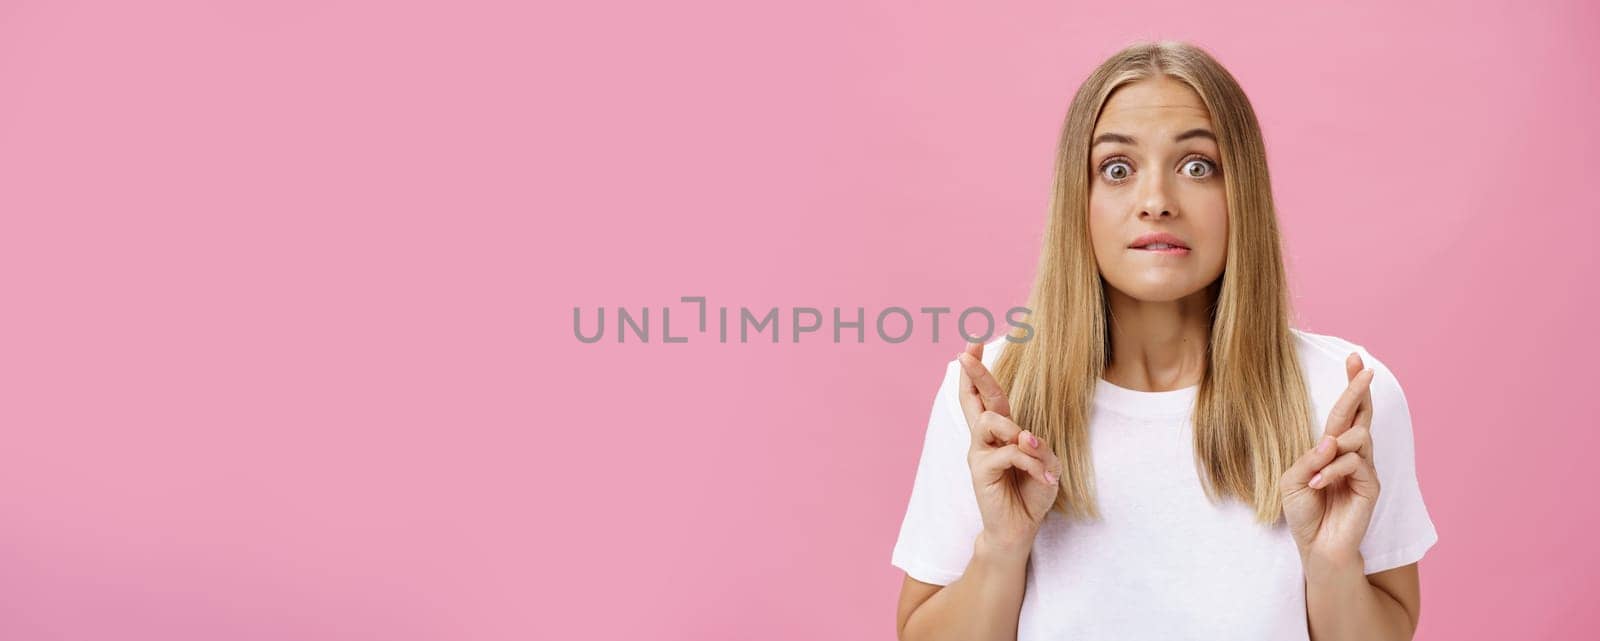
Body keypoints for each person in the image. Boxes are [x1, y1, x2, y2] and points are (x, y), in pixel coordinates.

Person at [890, 41, 1438, 641]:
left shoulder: (1342, 396)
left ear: (1242, 194)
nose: (1156, 203)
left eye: (1197, 165)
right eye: (1117, 169)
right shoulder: (993, 395)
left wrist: (1331, 564)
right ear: (1081, 198)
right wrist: (1001, 546)